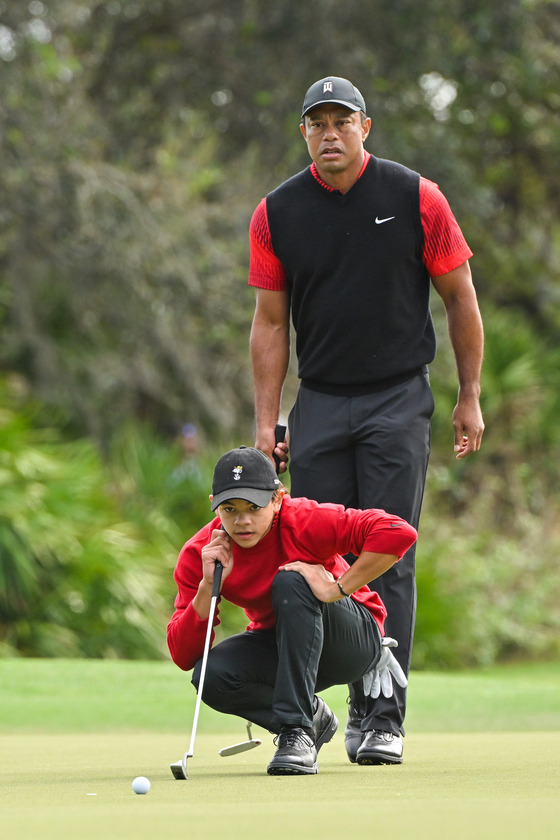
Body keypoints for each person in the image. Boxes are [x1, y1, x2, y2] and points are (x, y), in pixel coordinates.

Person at [249, 76, 484, 765]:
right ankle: (309, 715)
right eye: (316, 122)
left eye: (341, 121)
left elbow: (460, 297)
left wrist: (469, 394)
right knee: (312, 557)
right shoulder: (277, 213)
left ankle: (381, 717)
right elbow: (268, 323)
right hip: (319, 400)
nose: (329, 133)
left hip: (396, 398)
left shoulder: (416, 197)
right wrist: (267, 424)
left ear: (365, 128)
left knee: (391, 552)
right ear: (303, 134)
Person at [167, 445, 417, 775]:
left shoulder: (304, 519)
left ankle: (296, 733)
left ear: (277, 498)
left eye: (253, 507)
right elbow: (184, 654)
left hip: (350, 640)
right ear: (214, 506)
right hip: (285, 645)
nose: (242, 521)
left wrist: (337, 588)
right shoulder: (203, 552)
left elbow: (398, 532)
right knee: (210, 675)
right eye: (229, 509)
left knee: (291, 580)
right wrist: (206, 587)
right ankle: (312, 718)